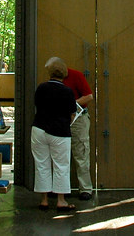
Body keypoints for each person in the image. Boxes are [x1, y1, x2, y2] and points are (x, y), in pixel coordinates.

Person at [32, 57, 77, 211]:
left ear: (50, 73)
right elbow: (72, 113)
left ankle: (44, 200)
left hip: (39, 129)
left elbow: (37, 105)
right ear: (64, 74)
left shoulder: (41, 88)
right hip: (60, 131)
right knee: (61, 165)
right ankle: (61, 200)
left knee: (41, 164)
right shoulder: (68, 91)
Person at [47, 56, 94, 201]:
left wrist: (70, 103)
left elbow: (89, 96)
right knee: (60, 155)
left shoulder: (76, 76)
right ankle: (61, 188)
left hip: (78, 119)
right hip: (60, 120)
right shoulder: (52, 81)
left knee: (81, 153)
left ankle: (85, 189)